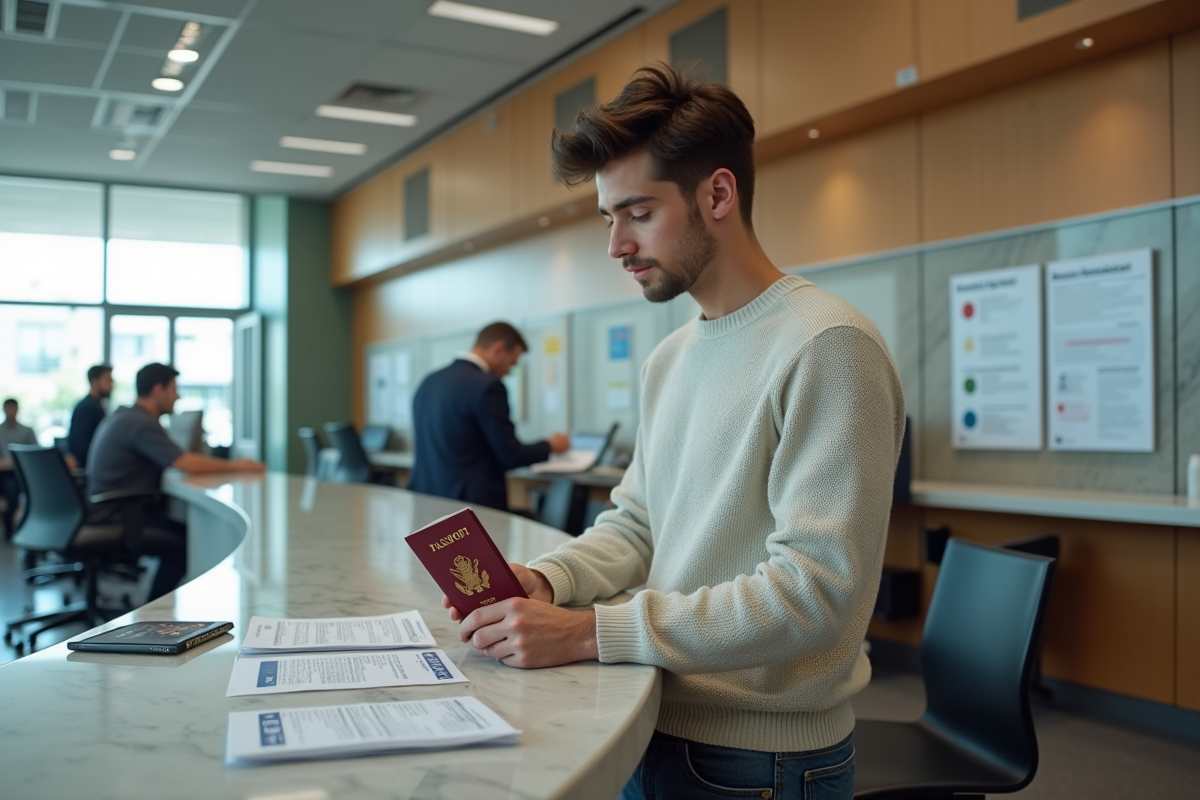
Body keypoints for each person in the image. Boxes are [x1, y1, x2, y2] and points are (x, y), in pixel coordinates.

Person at [444, 66, 906, 799]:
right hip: (649, 716)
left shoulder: (828, 345)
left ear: (718, 194)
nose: (615, 244)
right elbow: (637, 525)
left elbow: (816, 595)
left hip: (763, 762)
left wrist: (592, 632)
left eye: (637, 213)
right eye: (607, 217)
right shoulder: (672, 356)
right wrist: (548, 580)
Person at [87, 363, 264, 601]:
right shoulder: (140, 422)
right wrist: (238, 465)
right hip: (118, 514)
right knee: (184, 545)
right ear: (158, 390)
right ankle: (153, 618)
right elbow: (186, 463)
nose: (178, 396)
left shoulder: (127, 416)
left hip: (107, 510)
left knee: (181, 533)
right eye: (174, 389)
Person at [408, 322, 570, 511]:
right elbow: (510, 455)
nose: (509, 371)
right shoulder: (487, 387)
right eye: (512, 362)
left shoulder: (429, 381)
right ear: (498, 349)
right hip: (471, 508)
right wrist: (551, 445)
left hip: (426, 502)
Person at [0, 398, 38, 539]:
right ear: (4, 409)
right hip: (3, 473)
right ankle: (9, 528)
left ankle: (14, 528)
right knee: (10, 488)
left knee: (15, 490)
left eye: (13, 408)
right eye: (8, 408)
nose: (10, 411)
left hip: (20, 472)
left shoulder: (26, 431)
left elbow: (35, 452)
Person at [67, 364, 114, 469]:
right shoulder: (88, 408)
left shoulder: (93, 405)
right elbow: (81, 449)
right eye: (108, 380)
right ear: (94, 381)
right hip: (89, 470)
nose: (111, 384)